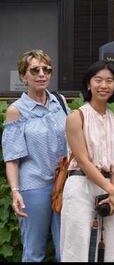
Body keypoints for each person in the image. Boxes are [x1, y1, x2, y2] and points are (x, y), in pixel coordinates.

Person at [2, 50, 68, 262]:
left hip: (64, 185)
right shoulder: (17, 110)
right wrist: (15, 191)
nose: (42, 74)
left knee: (66, 251)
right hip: (34, 187)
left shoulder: (60, 101)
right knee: (34, 253)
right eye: (35, 70)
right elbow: (12, 158)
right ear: (23, 76)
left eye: (47, 70)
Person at [60, 60, 114, 261]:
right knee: (77, 247)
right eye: (98, 80)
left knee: (110, 249)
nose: (104, 85)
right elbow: (83, 160)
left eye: (109, 80)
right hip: (80, 185)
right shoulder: (76, 117)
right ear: (89, 84)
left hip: (109, 190)